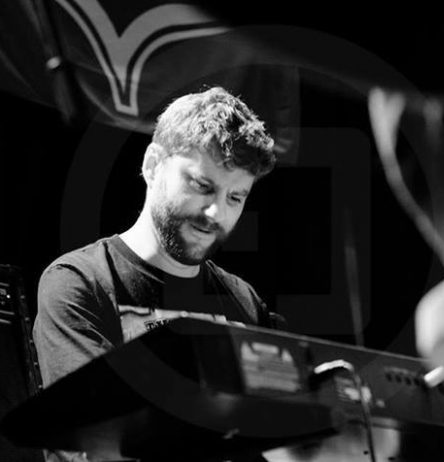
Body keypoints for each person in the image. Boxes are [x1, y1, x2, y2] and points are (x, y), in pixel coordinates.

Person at [33, 86, 281, 461]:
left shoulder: (244, 302)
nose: (216, 213)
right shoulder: (80, 282)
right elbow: (92, 445)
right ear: (152, 165)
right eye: (202, 186)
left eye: (235, 198)